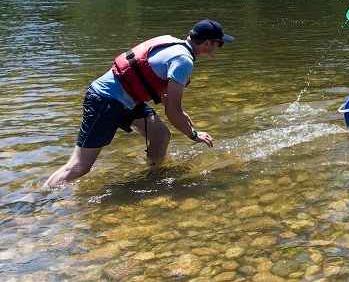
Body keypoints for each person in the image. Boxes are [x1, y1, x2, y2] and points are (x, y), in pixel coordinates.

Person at [44, 19, 234, 188]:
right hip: (105, 101)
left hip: (127, 100)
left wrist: (184, 118)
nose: (219, 48)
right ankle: (39, 200)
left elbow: (169, 101)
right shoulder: (183, 61)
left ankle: (153, 177)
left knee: (160, 135)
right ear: (208, 43)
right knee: (80, 166)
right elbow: (172, 111)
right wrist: (193, 134)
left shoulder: (170, 41)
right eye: (220, 44)